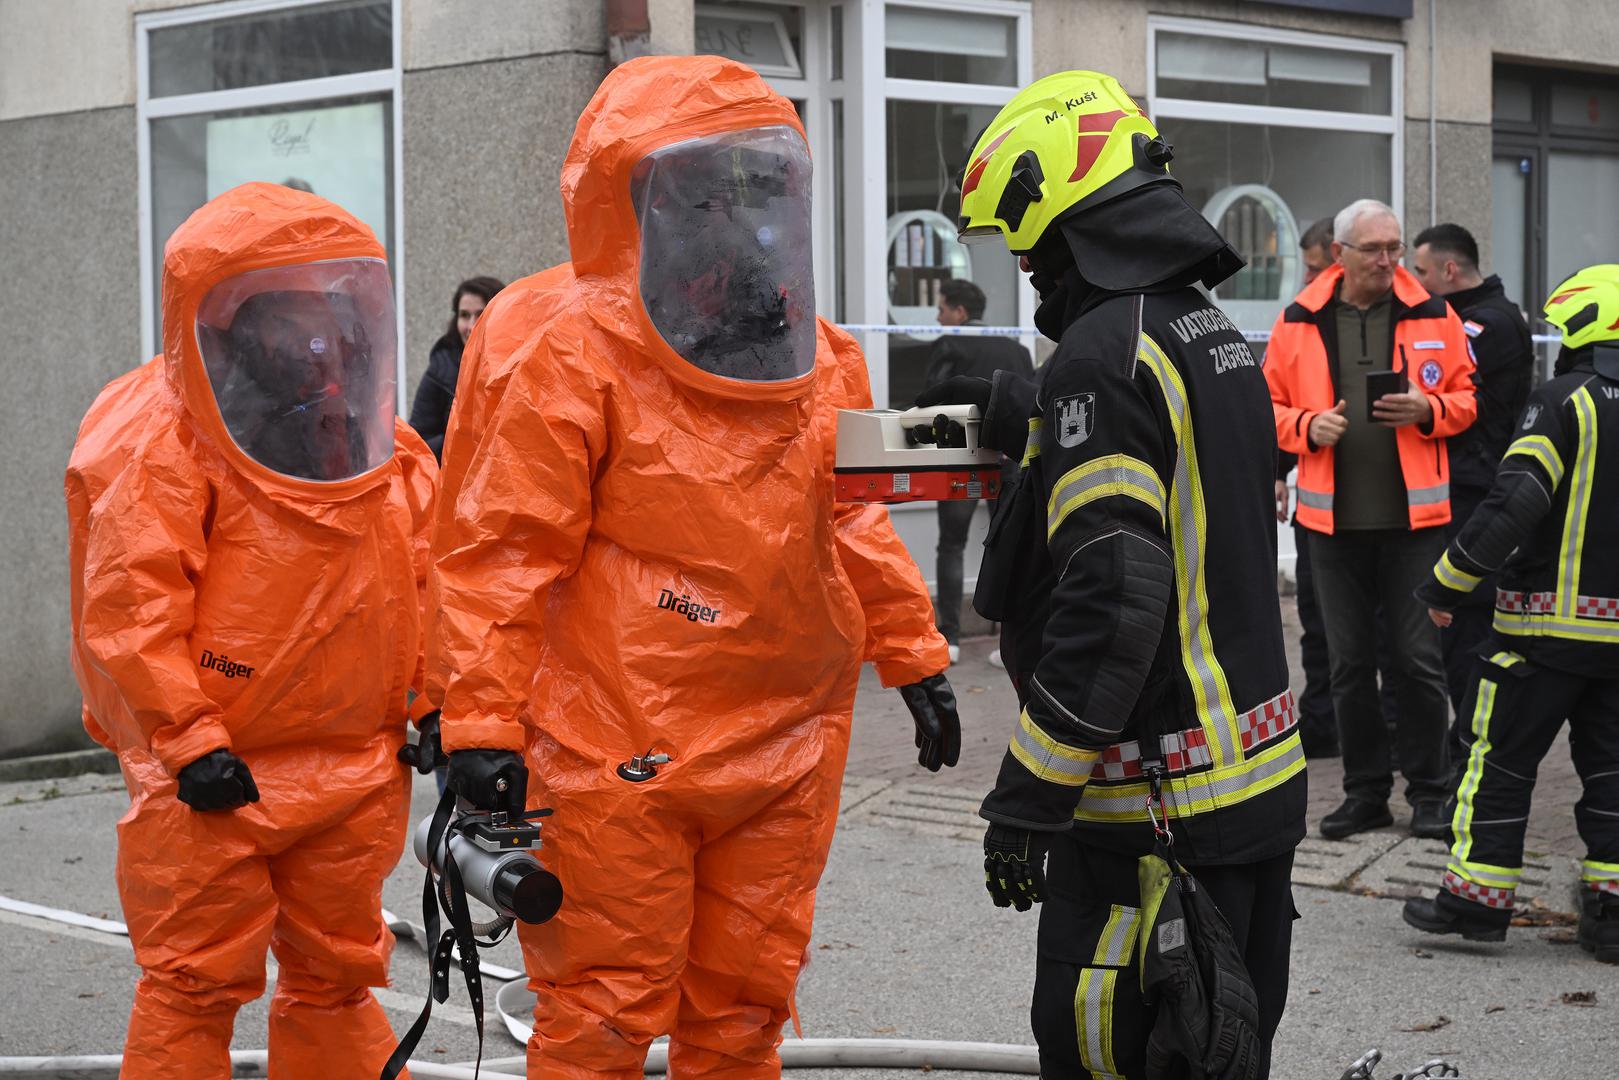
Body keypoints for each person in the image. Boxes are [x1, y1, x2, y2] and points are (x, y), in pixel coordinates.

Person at [426, 56, 960, 1079]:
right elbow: (501, 553)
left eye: (749, 186)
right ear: (637, 200)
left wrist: (912, 653)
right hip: (618, 740)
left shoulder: (820, 357)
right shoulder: (566, 352)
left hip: (786, 741)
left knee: (745, 1009)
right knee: (601, 1015)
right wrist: (479, 723)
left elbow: (849, 524)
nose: (732, 212)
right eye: (702, 189)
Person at [921, 70, 1306, 1078]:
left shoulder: (1105, 352)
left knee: (1107, 1057)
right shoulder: (1205, 329)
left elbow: (1116, 599)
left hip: (1149, 820)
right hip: (1251, 798)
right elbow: (1182, 514)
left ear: (1057, 214)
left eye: (1024, 243)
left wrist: (1026, 795)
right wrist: (1040, 426)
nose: (1025, 270)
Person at [64, 182, 438, 1078]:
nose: (312, 347)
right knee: (194, 985)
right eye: (286, 320)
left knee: (337, 979)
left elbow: (422, 586)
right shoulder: (164, 445)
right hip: (214, 771)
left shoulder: (380, 450)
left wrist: (442, 708)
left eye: (325, 317)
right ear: (230, 322)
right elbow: (130, 605)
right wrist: (188, 740)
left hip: (350, 766)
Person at [1401, 264, 1619, 964]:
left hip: (1540, 633)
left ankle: (1475, 902)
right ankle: (1612, 917)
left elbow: (1515, 503)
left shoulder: (1561, 401)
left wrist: (1444, 585)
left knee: (1496, 763)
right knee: (1614, 773)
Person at [1264, 199, 1477, 842]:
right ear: (1341, 255)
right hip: (1331, 529)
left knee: (1417, 662)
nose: (1387, 260)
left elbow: (1469, 400)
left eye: (1394, 247)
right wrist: (1305, 427)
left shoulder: (1435, 313)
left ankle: (1431, 793)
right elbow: (1265, 407)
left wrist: (1427, 409)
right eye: (1373, 250)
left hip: (1417, 523)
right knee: (1349, 666)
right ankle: (1365, 794)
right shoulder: (1299, 320)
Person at [1409, 223, 1534, 711]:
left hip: (1475, 485)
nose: (1415, 281)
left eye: (1420, 271)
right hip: (1459, 481)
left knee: (1464, 616)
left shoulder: (1487, 323)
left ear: (1449, 268)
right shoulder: (1462, 317)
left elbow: (1452, 392)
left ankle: (1471, 734)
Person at [923, 277, 1034, 663]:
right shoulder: (1016, 348)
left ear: (959, 312)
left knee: (951, 544)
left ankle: (948, 639)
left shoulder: (948, 344)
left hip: (960, 464)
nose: (937, 319)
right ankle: (1010, 640)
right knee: (1011, 545)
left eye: (941, 310)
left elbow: (932, 402)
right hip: (1009, 460)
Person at [1277, 216, 1342, 757]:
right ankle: (1325, 722)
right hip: (1319, 508)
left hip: (1393, 516)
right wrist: (1278, 468)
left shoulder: (1404, 321)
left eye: (1316, 267)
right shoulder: (1302, 322)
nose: (1308, 278)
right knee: (1318, 627)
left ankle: (1383, 732)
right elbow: (1279, 401)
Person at [408, 274, 506, 461]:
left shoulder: (519, 364)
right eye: (464, 315)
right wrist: (457, 439)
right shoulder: (440, 369)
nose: (471, 326)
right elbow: (418, 443)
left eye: (481, 314)